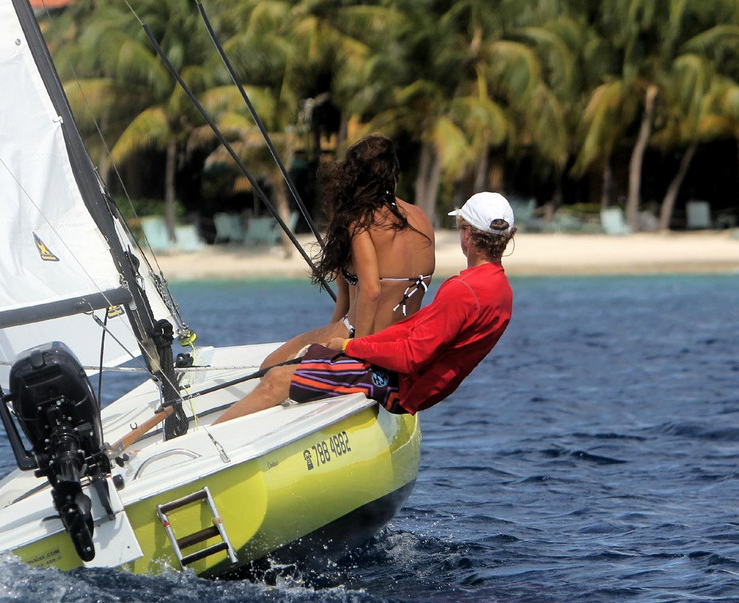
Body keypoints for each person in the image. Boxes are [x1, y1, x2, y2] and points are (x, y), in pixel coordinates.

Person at [215, 191, 515, 423]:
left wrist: (351, 346)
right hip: (414, 383)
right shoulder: (500, 289)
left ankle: (213, 442)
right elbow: (412, 330)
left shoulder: (463, 291)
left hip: (402, 389)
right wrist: (356, 345)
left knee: (277, 379)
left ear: (466, 236)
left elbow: (411, 357)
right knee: (307, 357)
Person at [258, 134, 435, 371]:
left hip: (360, 336)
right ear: (393, 172)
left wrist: (356, 350)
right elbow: (347, 294)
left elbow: (371, 291)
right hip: (403, 341)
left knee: (269, 366)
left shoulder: (361, 221)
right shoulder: (422, 219)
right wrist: (321, 348)